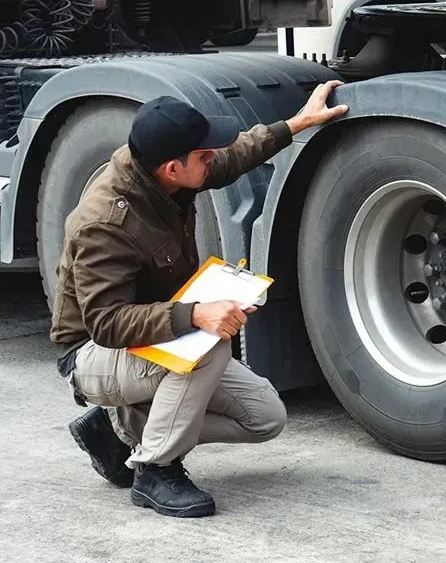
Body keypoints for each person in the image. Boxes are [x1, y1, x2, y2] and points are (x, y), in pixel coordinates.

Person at [50, 80, 348, 518]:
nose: (213, 161)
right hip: (92, 354)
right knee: (209, 346)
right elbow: (106, 323)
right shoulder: (106, 224)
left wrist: (297, 123)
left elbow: (233, 156)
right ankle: (155, 469)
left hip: (150, 336)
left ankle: (122, 430)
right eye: (203, 156)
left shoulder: (167, 175)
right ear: (173, 168)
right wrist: (196, 314)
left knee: (264, 417)